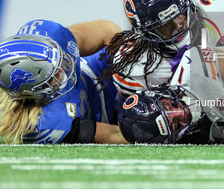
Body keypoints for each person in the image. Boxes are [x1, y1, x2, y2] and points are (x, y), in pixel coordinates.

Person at [0, 19, 128, 145]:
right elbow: (116, 134)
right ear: (33, 93)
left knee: (135, 51)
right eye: (51, 76)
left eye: (58, 61)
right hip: (106, 116)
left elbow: (107, 30)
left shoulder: (48, 36)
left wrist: (128, 67)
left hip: (96, 72)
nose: (61, 69)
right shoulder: (46, 125)